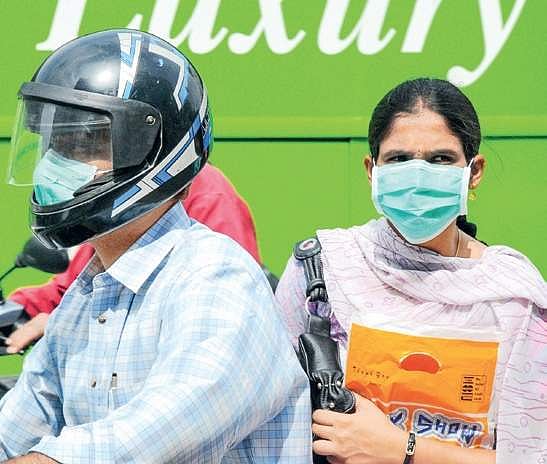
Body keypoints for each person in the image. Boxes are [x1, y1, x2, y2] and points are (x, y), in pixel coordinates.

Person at [0, 29, 311, 462]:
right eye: (56, 143)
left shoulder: (215, 279)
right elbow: (15, 429)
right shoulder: (82, 300)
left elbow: (148, 438)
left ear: (150, 152)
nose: (57, 163)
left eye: (84, 143)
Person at [275, 78, 546, 464]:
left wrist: (400, 448)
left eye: (440, 159)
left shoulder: (514, 297)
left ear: (474, 172)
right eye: (399, 159)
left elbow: (532, 455)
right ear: (371, 170)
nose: (418, 177)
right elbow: (273, 429)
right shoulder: (322, 269)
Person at [5, 161, 263, 353]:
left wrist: (70, 326)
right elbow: (75, 287)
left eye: (88, 143)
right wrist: (17, 309)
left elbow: (219, 317)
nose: (67, 159)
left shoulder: (209, 199)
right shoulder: (114, 205)